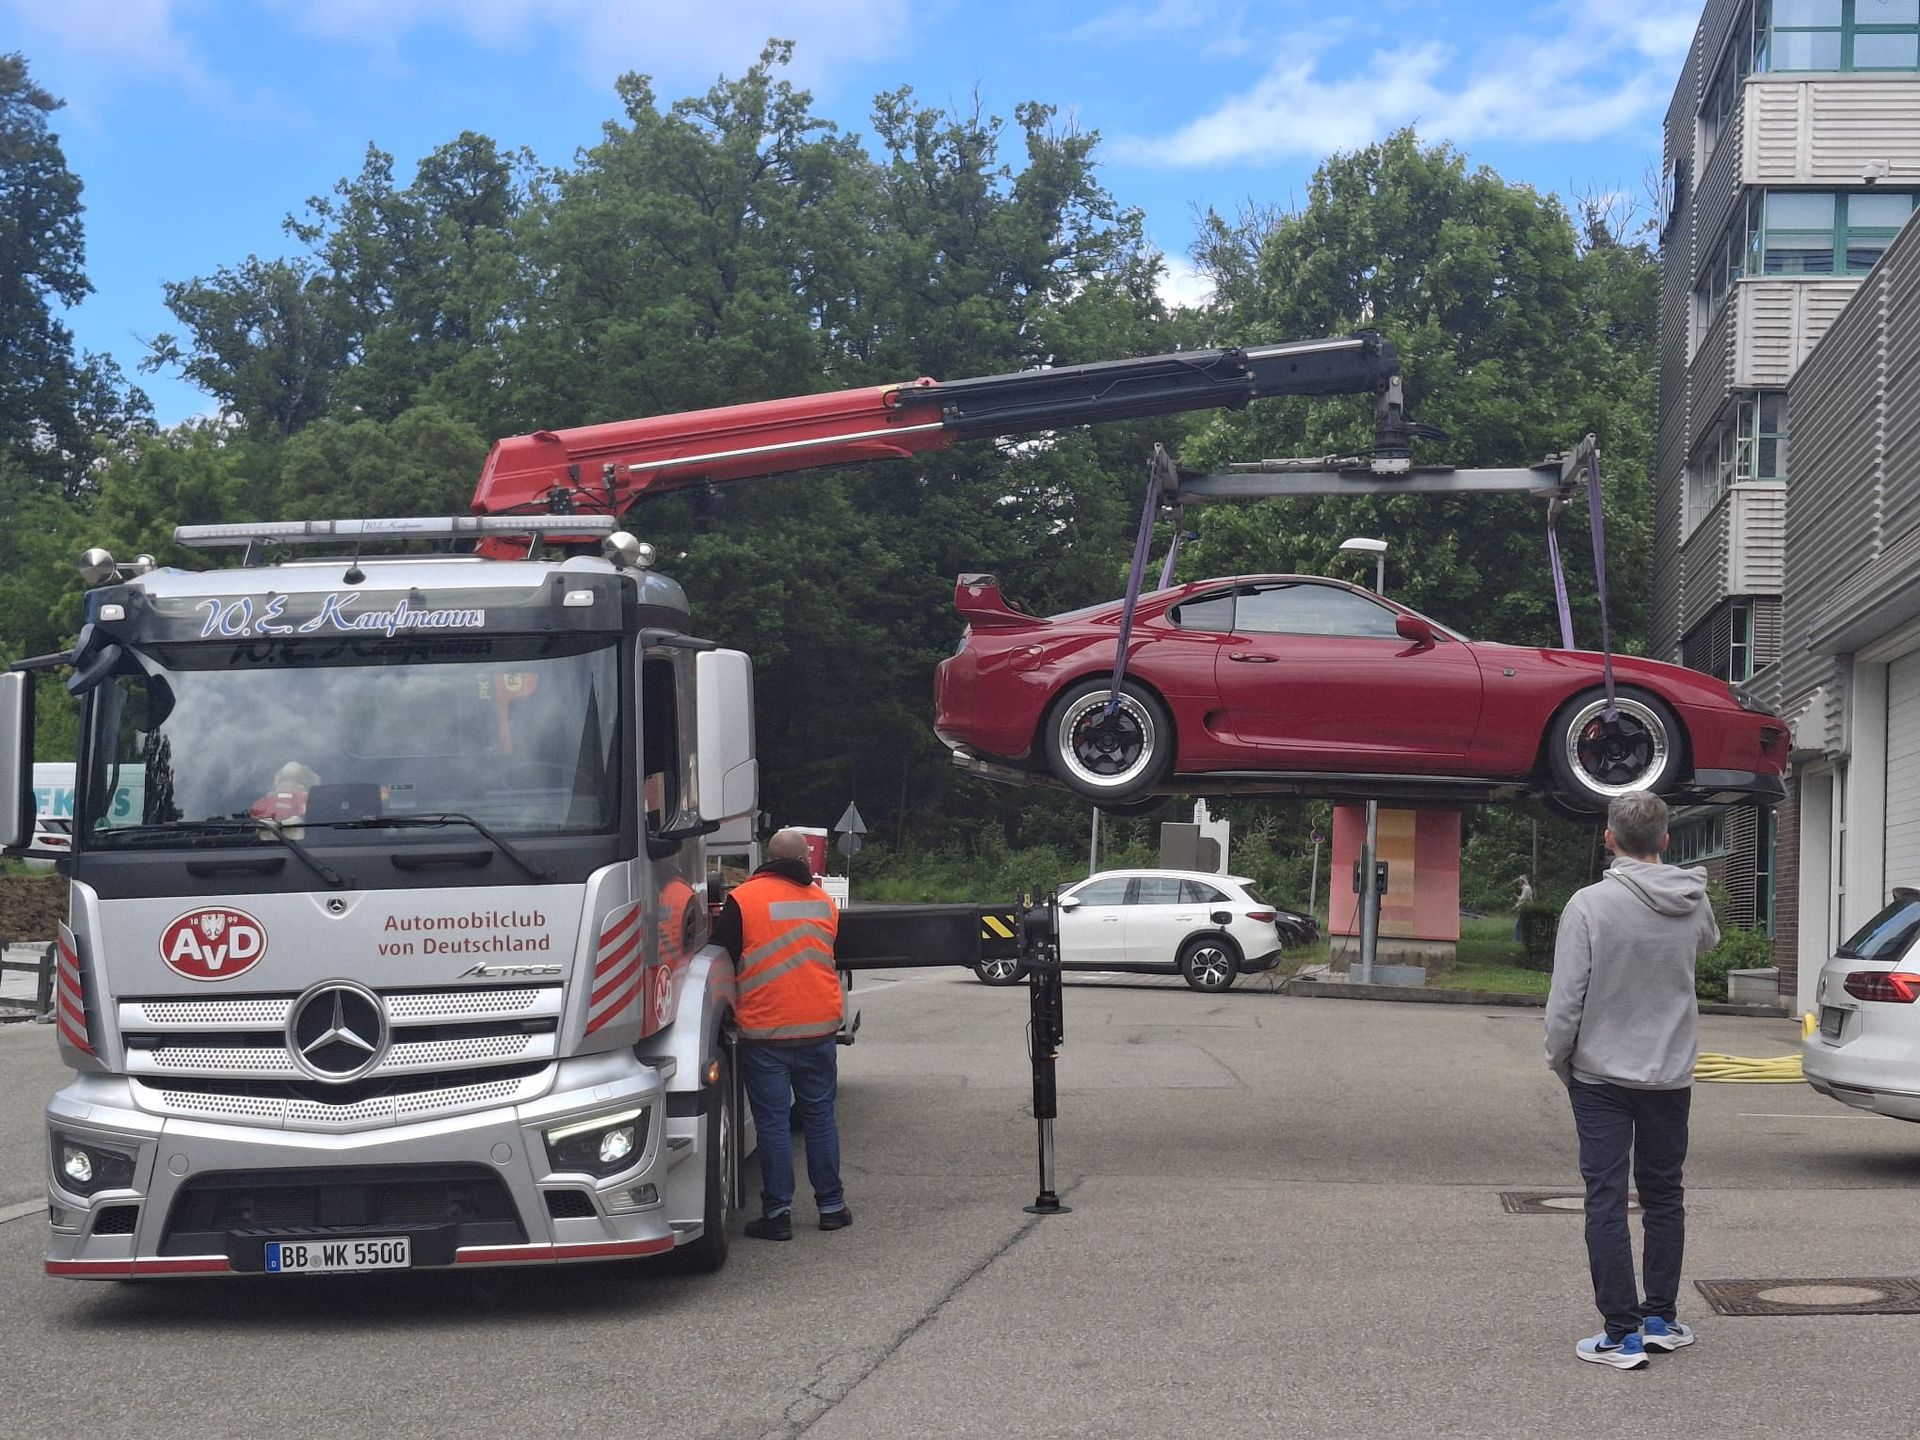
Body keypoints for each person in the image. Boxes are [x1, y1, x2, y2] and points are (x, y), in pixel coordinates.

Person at [1544, 791, 1718, 1370]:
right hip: (1670, 1073)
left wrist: (1559, 1058)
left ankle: (1621, 1333)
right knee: (1665, 1194)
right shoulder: (1694, 900)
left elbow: (1567, 998)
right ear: (1666, 840)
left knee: (1607, 1197)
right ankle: (1660, 1318)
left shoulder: (1589, 906)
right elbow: (1706, 946)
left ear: (1609, 839)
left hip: (1599, 1074)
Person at [712, 828, 851, 1241]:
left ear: (767, 859)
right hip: (818, 1028)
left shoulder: (743, 900)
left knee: (772, 1125)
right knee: (820, 1118)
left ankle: (778, 1214)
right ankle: (831, 1207)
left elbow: (721, 957)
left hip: (766, 1033)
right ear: (805, 861)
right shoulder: (824, 902)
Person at [1514, 874, 1534, 942]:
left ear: (1523, 881)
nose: (1519, 882)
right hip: (1525, 909)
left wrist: (1516, 904)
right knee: (1524, 924)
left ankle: (1518, 939)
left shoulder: (1526, 888)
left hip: (1526, 909)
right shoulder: (1525, 888)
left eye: (1520, 881)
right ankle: (1525, 939)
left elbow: (1522, 899)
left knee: (1519, 924)